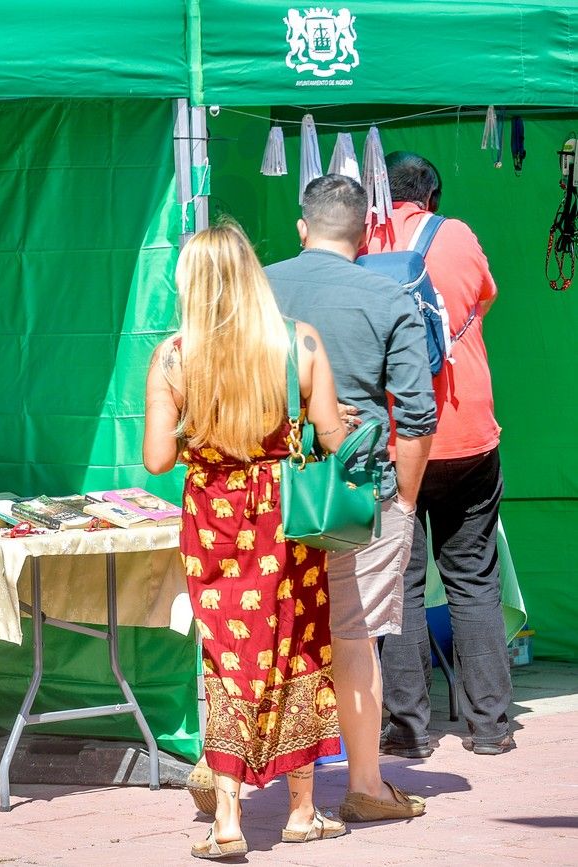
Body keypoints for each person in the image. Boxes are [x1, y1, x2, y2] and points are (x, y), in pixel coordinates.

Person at [144, 221, 349, 859]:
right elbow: (334, 441)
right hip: (284, 517)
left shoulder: (174, 357)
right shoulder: (300, 344)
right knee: (298, 646)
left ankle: (228, 820)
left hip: (213, 519)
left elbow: (155, 459)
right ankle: (301, 812)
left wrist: (200, 437)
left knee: (229, 658)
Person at [265, 173, 436, 823]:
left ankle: (233, 773)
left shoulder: (261, 289)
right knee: (355, 639)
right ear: (367, 233)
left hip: (275, 489)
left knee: (267, 632)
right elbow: (417, 417)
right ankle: (364, 783)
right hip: (358, 496)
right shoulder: (391, 297)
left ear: (302, 228)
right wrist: (405, 503)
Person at [367, 152, 513, 756]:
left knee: (399, 585)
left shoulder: (364, 239)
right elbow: (487, 295)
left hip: (400, 436)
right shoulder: (455, 234)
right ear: (431, 193)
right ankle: (491, 728)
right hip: (469, 431)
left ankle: (407, 733)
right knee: (473, 580)